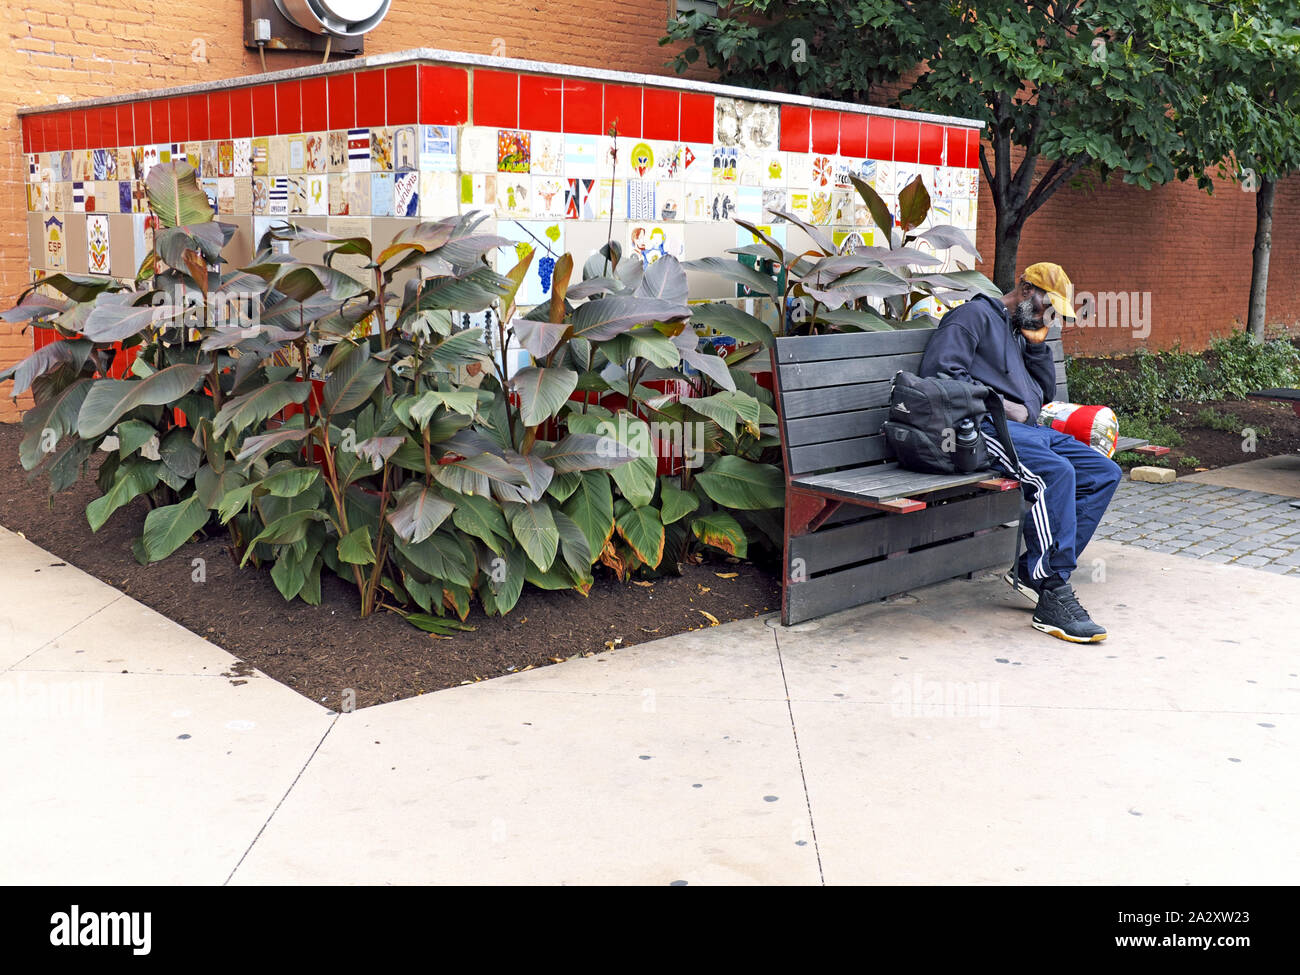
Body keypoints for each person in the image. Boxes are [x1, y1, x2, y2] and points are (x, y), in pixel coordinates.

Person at [919, 263, 1122, 643]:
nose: (1052, 316)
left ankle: (1033, 568)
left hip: (1029, 431)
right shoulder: (971, 317)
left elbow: (1044, 396)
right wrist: (998, 403)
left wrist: (1037, 345)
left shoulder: (1021, 329)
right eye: (1049, 306)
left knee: (1103, 473)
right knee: (1056, 473)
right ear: (1027, 290)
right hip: (985, 428)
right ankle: (1053, 589)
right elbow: (939, 377)